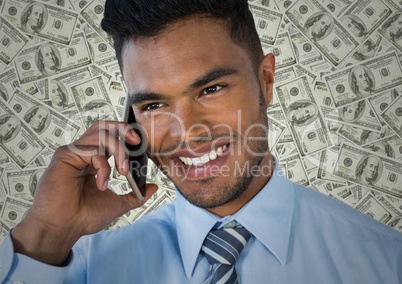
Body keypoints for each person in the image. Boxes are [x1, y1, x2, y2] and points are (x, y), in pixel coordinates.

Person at [1, 1, 401, 283]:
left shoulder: (386, 264)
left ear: (266, 80)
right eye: (154, 104)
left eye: (211, 89)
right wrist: (45, 235)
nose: (187, 132)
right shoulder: (80, 270)